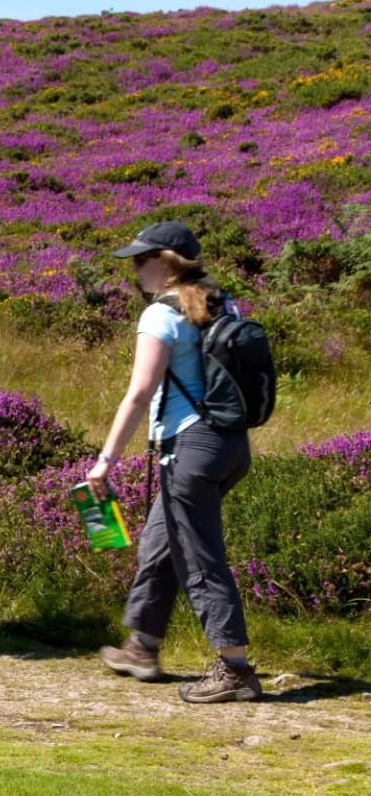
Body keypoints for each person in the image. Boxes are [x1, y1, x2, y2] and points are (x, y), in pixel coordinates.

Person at [88, 220, 262, 703]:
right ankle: (142, 645)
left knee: (200, 560)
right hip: (229, 445)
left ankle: (235, 669)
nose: (135, 270)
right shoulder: (222, 301)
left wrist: (105, 461)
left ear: (166, 263)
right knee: (160, 542)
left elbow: (140, 393)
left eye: (142, 260)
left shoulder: (160, 315)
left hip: (190, 449)